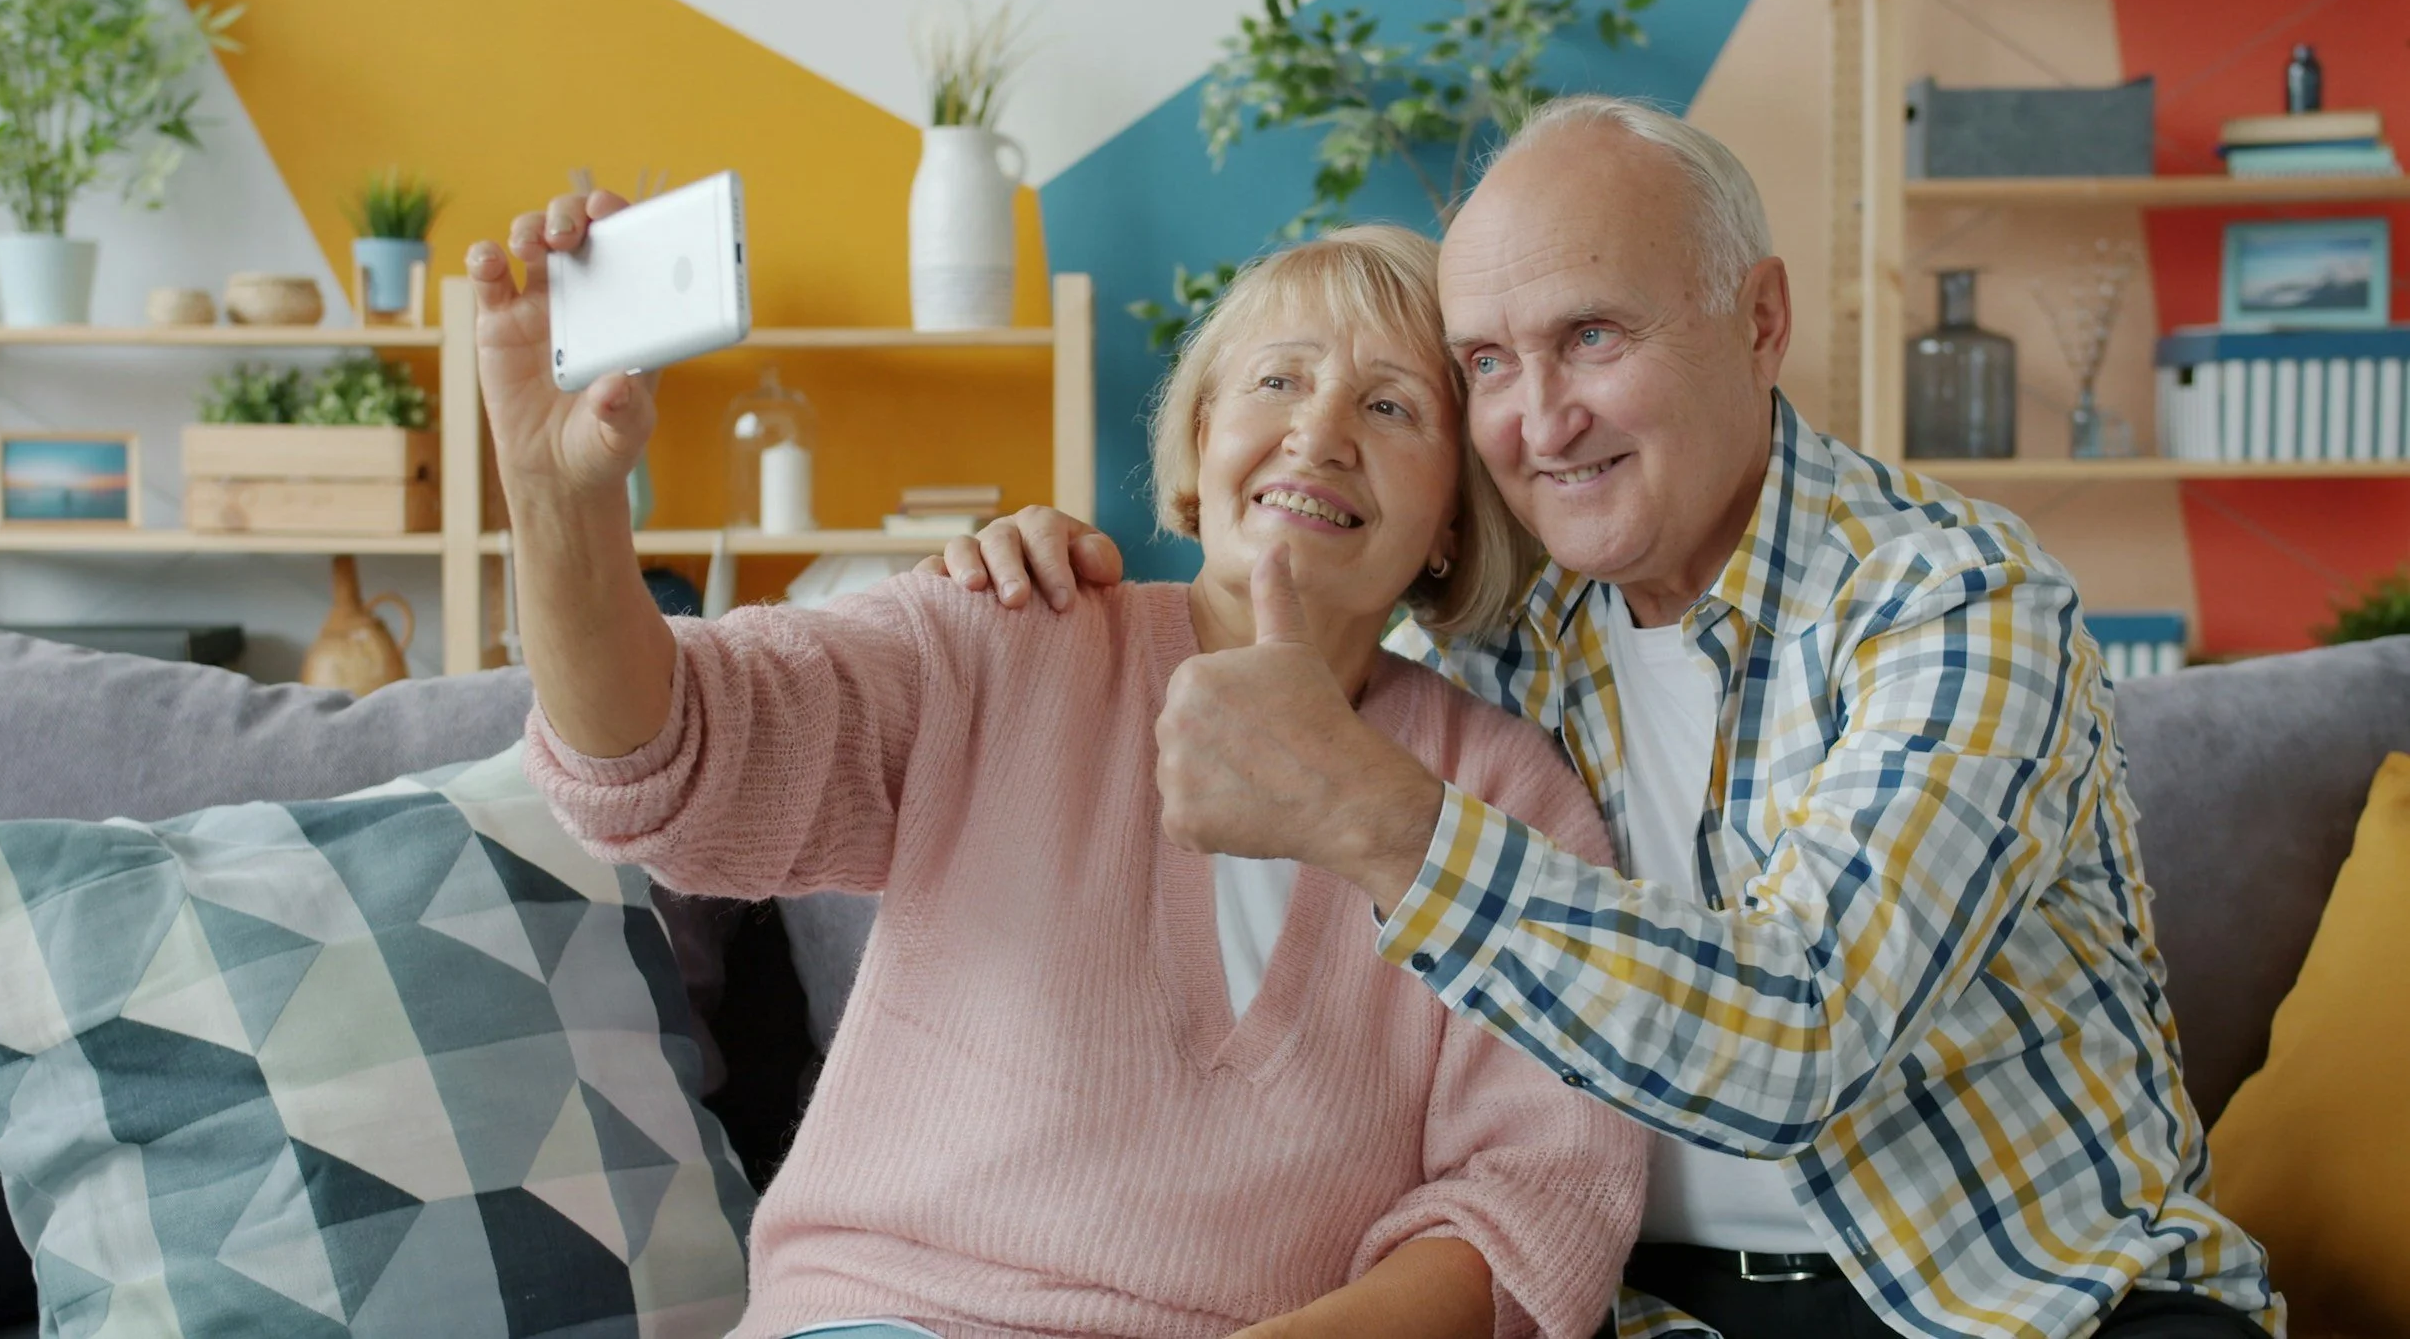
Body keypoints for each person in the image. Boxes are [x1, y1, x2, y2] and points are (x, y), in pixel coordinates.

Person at [929, 95, 2281, 1339]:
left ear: (1758, 319)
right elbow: (1286, 622)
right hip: (1655, 1314)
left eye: (1591, 335)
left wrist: (1379, 815)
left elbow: (1803, 1036)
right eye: (1489, 367)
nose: (1542, 420)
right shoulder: (1496, 648)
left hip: (2030, 1303)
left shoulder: (1953, 599)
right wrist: (1052, 581)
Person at [467, 204, 1648, 1339]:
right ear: (1198, 447)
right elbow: (663, 757)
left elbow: (1537, 1195)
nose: (1319, 431)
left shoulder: (1504, 794)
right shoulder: (1010, 627)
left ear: (1451, 520)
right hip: (891, 1317)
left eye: (1391, 406)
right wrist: (560, 500)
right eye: (1276, 380)